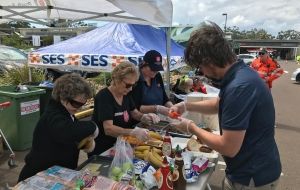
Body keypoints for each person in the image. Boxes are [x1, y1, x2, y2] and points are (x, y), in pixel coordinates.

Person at [170, 21, 281, 189]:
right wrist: (186, 106)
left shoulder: (239, 87)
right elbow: (219, 104)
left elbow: (228, 148)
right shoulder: (240, 74)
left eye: (200, 67)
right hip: (249, 169)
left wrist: (191, 127)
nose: (202, 73)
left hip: (252, 177)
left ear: (209, 61)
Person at [18, 73, 99, 182]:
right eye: (76, 104)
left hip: (56, 175)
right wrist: (92, 126)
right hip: (37, 177)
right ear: (63, 97)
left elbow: (71, 132)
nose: (79, 108)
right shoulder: (53, 114)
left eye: (82, 104)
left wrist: (84, 142)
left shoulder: (65, 111)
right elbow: (65, 131)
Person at [89, 62, 160, 156]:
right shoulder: (104, 97)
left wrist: (145, 117)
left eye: (133, 85)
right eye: (128, 85)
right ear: (116, 80)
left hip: (121, 145)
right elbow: (108, 129)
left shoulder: (125, 94)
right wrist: (133, 132)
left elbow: (134, 112)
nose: (130, 89)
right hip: (104, 149)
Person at [130, 50, 173, 116]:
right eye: (153, 69)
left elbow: (164, 98)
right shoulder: (136, 79)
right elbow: (135, 107)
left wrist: (173, 108)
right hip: (142, 119)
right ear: (144, 64)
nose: (155, 71)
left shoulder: (157, 76)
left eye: (157, 69)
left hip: (159, 118)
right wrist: (156, 108)